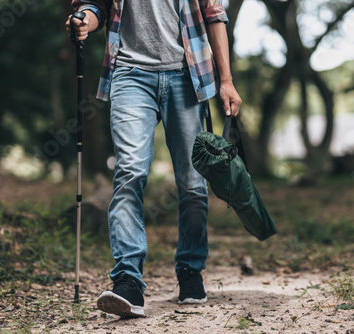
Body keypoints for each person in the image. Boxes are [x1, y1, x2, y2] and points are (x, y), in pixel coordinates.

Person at [66, 0, 241, 318]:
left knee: (192, 183)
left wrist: (226, 81)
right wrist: (85, 21)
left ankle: (190, 269)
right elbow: (95, 7)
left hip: (187, 77)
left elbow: (214, 14)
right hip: (130, 75)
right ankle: (128, 280)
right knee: (130, 170)